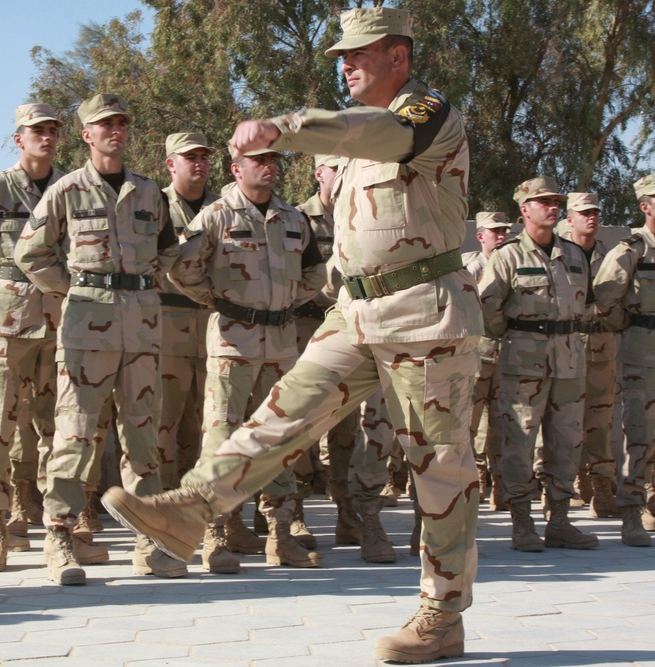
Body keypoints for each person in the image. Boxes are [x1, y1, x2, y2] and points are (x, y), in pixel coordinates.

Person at [103, 8, 481, 663]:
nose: (346, 63)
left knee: (439, 466)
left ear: (400, 55)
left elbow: (384, 134)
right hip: (355, 311)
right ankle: (191, 507)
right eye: (342, 54)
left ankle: (442, 614)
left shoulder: (427, 116)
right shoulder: (352, 146)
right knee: (282, 414)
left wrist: (290, 126)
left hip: (425, 310)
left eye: (359, 53)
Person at [15, 93, 181, 585]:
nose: (116, 131)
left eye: (122, 124)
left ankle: (148, 543)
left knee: (143, 436)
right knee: (75, 432)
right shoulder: (66, 190)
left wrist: (147, 283)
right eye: (105, 125)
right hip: (87, 330)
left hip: (143, 329)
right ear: (87, 135)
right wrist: (76, 291)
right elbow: (31, 253)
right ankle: (59, 537)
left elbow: (169, 250)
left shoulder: (150, 193)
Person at [169, 144, 326, 573]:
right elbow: (183, 269)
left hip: (280, 343)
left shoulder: (294, 219)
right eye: (260, 161)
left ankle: (279, 533)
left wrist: (289, 303)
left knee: (278, 436)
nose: (269, 167)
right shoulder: (217, 215)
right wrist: (219, 301)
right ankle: (216, 534)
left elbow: (316, 271)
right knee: (222, 438)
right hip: (232, 343)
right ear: (237, 170)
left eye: (274, 160)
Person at [0, 104, 67, 572]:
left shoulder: (69, 187)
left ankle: (61, 526)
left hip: (62, 319)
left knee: (59, 428)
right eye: (36, 131)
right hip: (7, 322)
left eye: (51, 131)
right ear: (17, 138)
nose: (45, 138)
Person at [479, 176, 598, 552]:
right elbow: (488, 310)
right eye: (544, 201)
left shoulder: (574, 254)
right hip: (523, 361)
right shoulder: (507, 255)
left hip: (569, 360)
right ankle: (522, 522)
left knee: (566, 442)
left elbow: (587, 304)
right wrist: (519, 337)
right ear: (524, 210)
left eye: (556, 201)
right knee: (520, 441)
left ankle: (559, 520)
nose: (553, 207)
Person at [592, 173, 655, 546]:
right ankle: (630, 511)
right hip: (640, 355)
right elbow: (604, 299)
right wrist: (630, 327)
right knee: (639, 433)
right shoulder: (633, 249)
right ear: (646, 206)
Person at [157, 133, 218, 492]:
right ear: (171, 163)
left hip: (213, 328)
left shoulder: (222, 209)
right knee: (164, 424)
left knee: (208, 424)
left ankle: (202, 507)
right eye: (190, 156)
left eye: (204, 157)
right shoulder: (155, 206)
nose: (199, 163)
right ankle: (160, 504)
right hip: (167, 330)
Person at [559, 193, 619, 518]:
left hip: (601, 349)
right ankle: (567, 485)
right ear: (570, 218)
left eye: (595, 211)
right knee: (564, 421)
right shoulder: (557, 255)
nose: (591, 217)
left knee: (600, 420)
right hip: (564, 349)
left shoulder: (611, 256)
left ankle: (601, 488)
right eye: (584, 212)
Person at [462, 212, 511, 508]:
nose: (502, 236)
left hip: (506, 355)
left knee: (503, 424)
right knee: (469, 423)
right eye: (496, 232)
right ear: (481, 236)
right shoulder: (471, 267)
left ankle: (500, 486)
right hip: (478, 355)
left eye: (504, 231)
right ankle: (474, 480)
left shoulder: (511, 263)